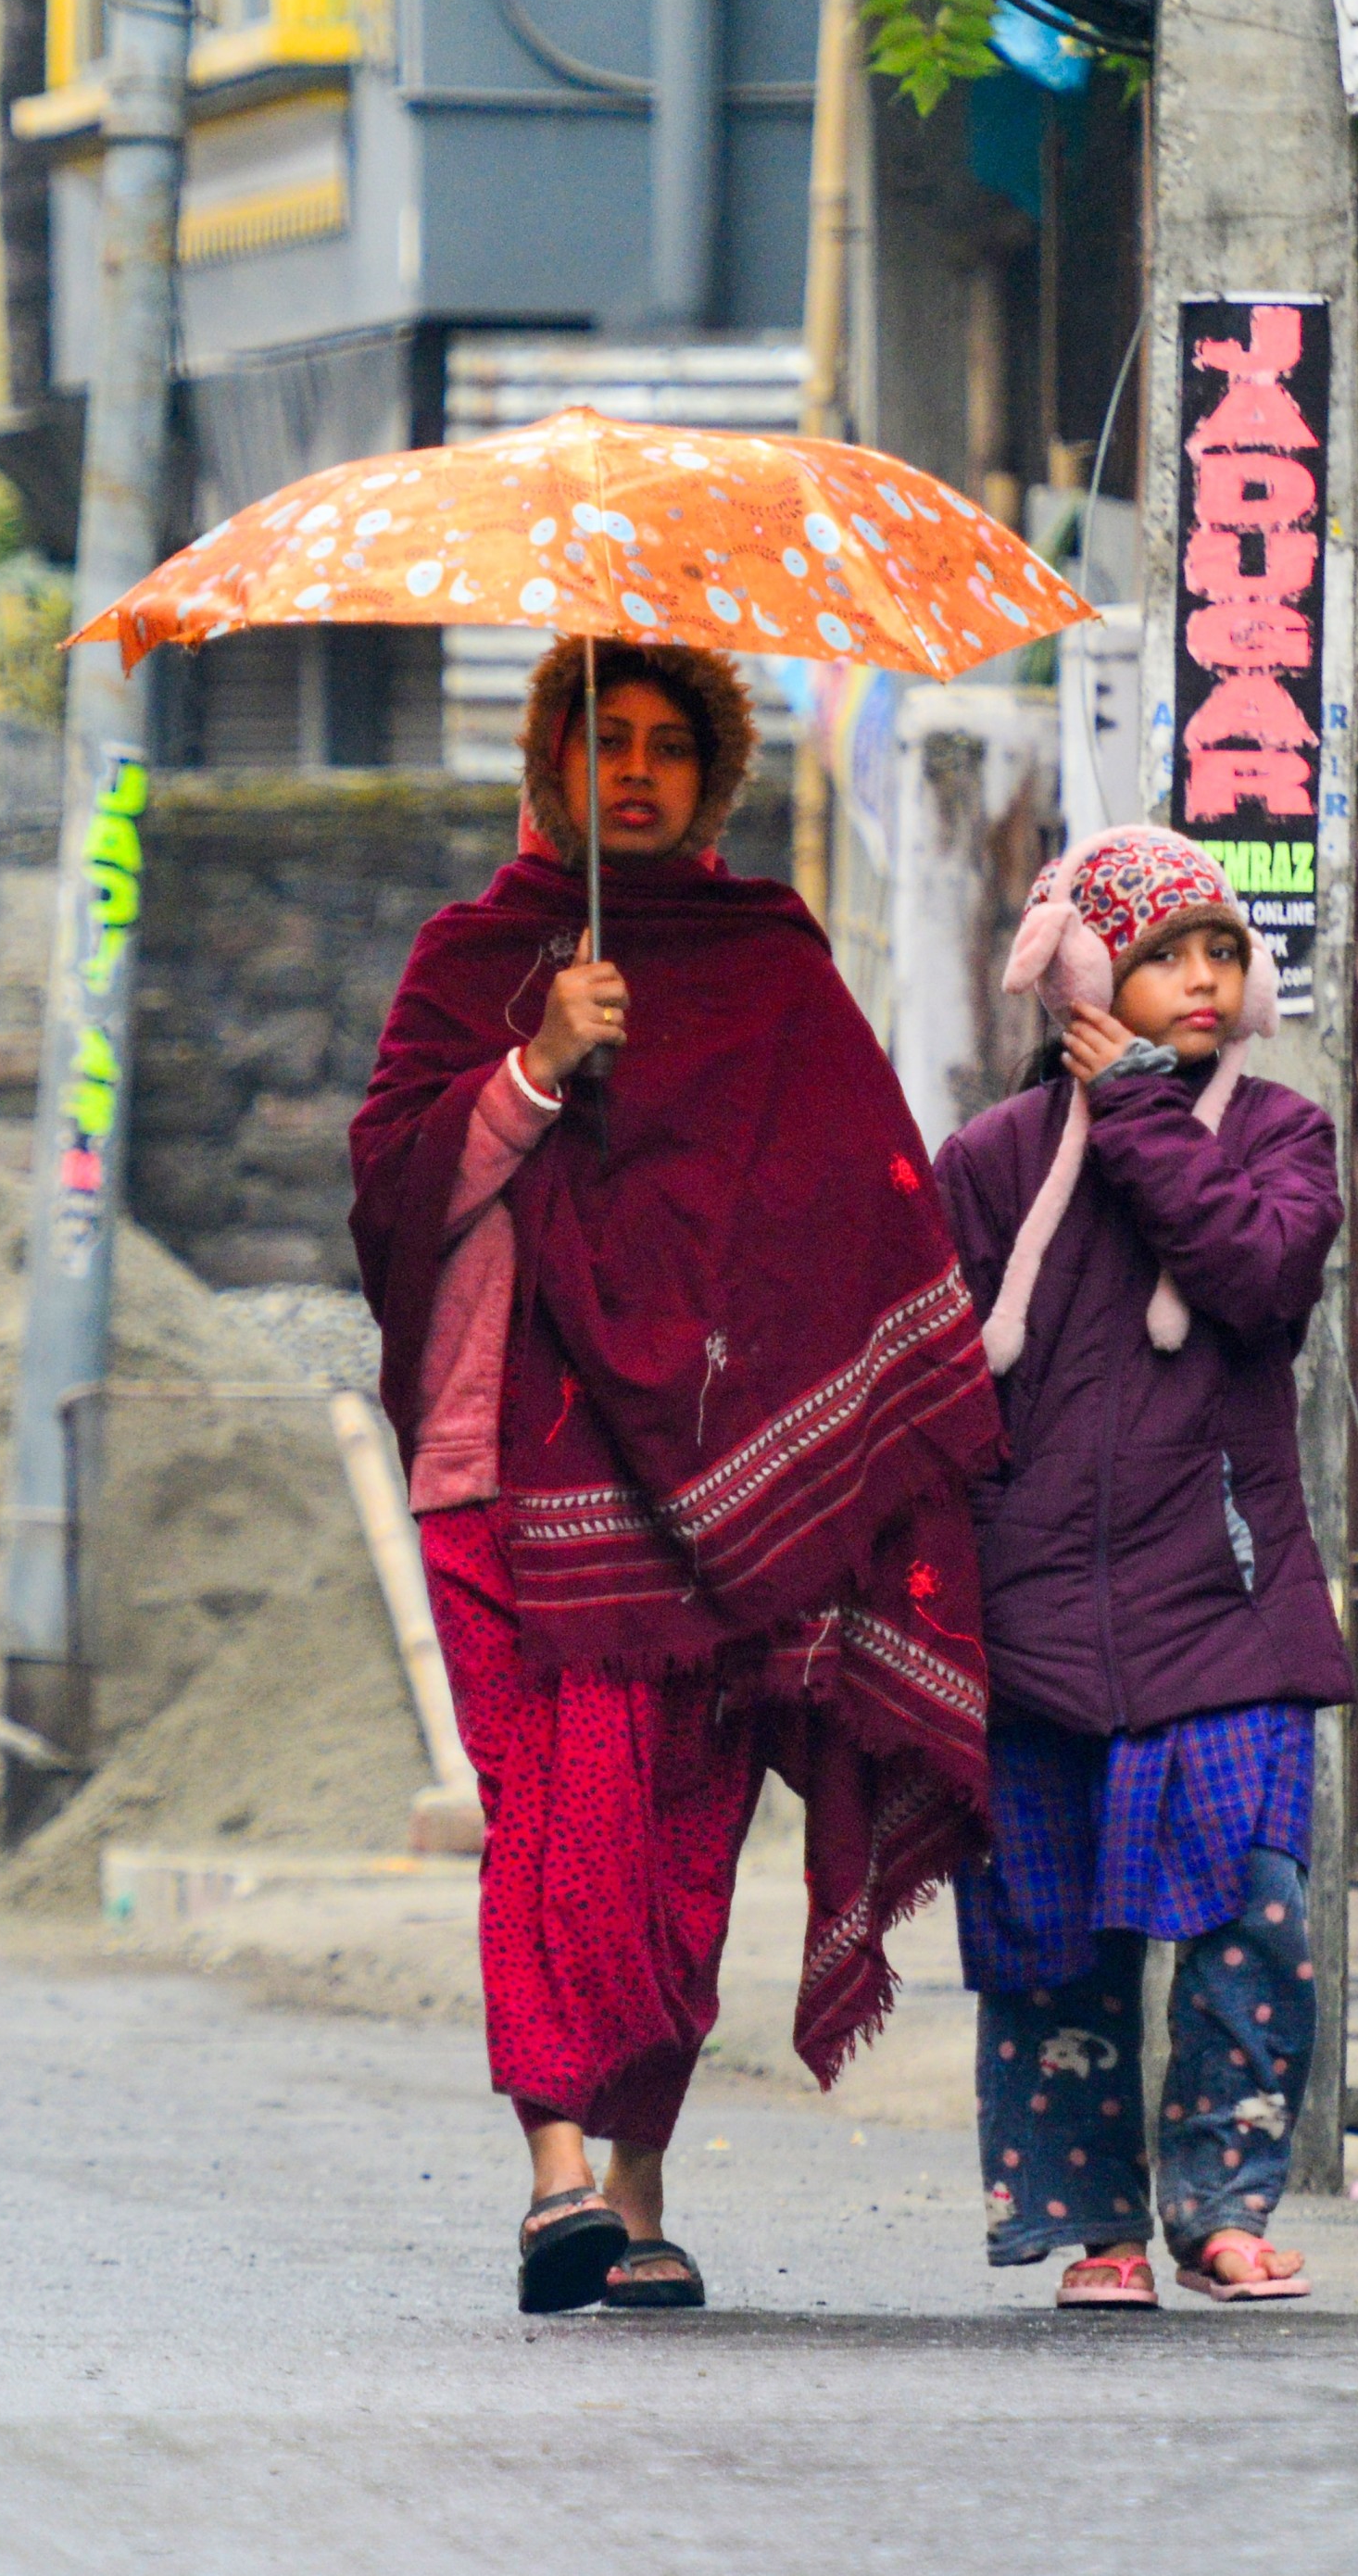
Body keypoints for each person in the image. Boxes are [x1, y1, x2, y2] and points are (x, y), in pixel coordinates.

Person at [351, 638, 1007, 2315]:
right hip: (499, 1470)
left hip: (718, 1507)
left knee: (675, 1843)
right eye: (599, 741)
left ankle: (636, 2191)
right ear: (545, 762)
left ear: (711, 784)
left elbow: (848, 1207)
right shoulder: (473, 959)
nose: (629, 773)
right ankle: (553, 2169)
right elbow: (392, 1202)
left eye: (663, 749)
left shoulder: (763, 964)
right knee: (551, 1822)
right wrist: (532, 1065)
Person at [933, 823, 1356, 2309]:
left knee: (1251, 1907)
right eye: (1162, 952)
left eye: (1219, 952)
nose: (1197, 979)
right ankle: (1100, 2230)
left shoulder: (1279, 1138)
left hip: (1224, 1604)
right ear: (1083, 973)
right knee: (1053, 1942)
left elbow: (1253, 1274)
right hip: (1032, 1616)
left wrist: (1139, 1113)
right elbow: (934, 1385)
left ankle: (1225, 2206)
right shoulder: (986, 1166)